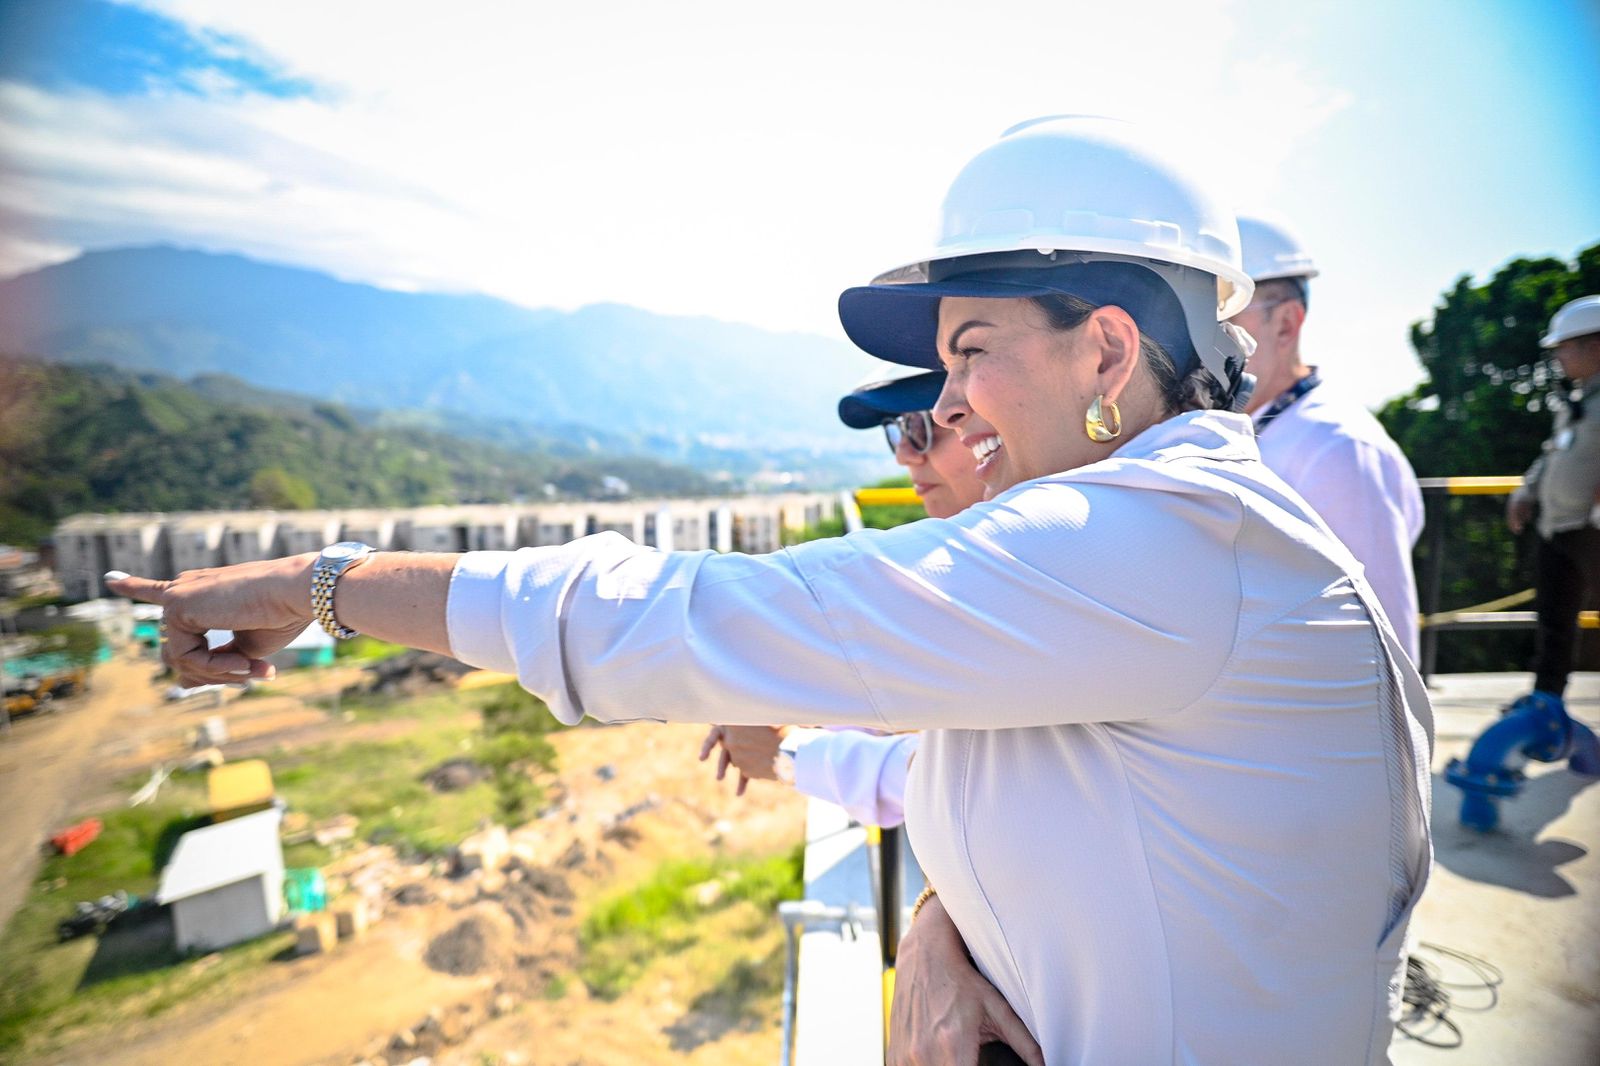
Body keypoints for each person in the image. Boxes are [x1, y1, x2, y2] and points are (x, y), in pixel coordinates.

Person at [105, 116, 1432, 1065]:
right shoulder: (1167, 542)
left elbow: (682, 619)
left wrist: (317, 587)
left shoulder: (1150, 543)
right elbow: (1035, 795)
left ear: (1108, 347)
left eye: (971, 350)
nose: (950, 400)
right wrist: (942, 935)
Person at [700, 364, 982, 825]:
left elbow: (970, 789)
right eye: (900, 430)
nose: (905, 455)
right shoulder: (983, 565)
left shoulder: (1039, 572)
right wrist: (787, 705)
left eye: (925, 425)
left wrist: (789, 752)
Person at [1231, 213, 1425, 660]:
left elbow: (1386, 644)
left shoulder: (1338, 449)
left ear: (1285, 323)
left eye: (1225, 312)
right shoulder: (1263, 426)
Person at [1504, 295, 1600, 717]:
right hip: (1560, 527)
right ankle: (1545, 703)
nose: (1558, 356)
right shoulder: (1579, 400)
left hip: (1593, 528)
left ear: (1593, 345)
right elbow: (1554, 452)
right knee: (1554, 621)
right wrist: (1528, 489)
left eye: (1564, 346)